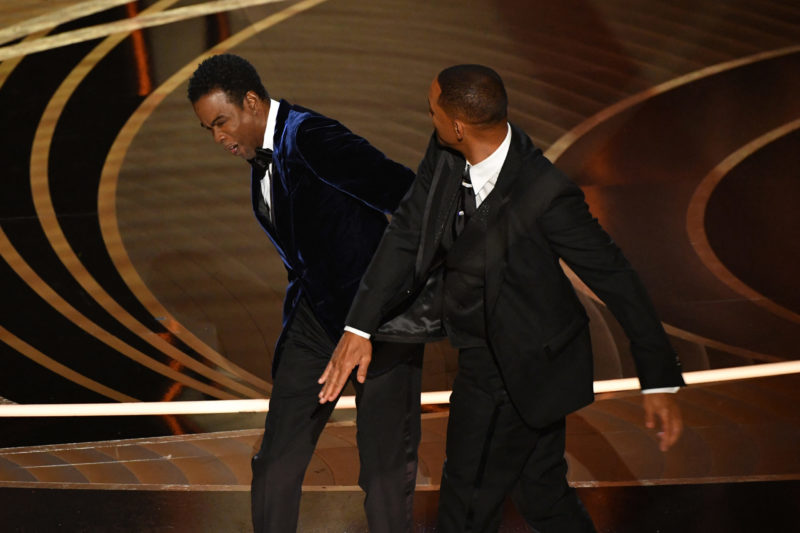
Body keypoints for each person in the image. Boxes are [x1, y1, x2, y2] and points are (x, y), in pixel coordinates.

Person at [318, 64, 685, 532]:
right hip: (484, 345)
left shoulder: (546, 194)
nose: (429, 118)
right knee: (542, 494)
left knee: (465, 507)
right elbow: (407, 230)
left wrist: (658, 379)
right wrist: (359, 326)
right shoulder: (445, 151)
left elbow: (615, 277)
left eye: (432, 111)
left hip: (522, 362)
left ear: (458, 126)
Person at [187, 54, 423, 533]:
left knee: (383, 470)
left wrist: (391, 300)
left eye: (221, 122)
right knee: (276, 459)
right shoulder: (260, 160)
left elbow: (407, 195)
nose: (218, 138)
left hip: (379, 320)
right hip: (315, 319)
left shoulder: (312, 137)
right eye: (208, 129)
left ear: (251, 102)